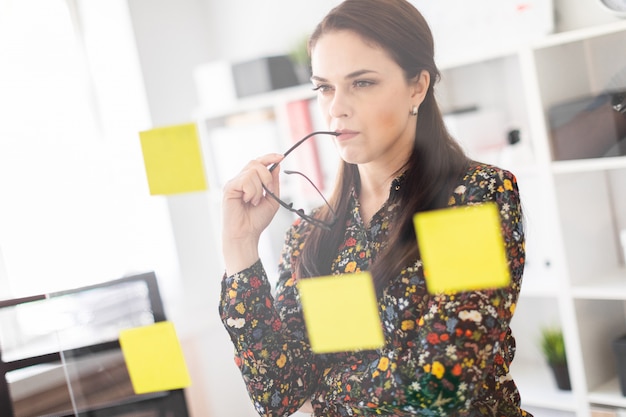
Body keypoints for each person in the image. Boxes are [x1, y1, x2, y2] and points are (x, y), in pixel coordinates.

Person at [218, 0, 530, 415]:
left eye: (361, 83)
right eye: (325, 87)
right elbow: (280, 392)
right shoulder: (313, 233)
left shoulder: (466, 199)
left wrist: (330, 396)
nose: (336, 107)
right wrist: (240, 250)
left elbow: (443, 385)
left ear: (417, 87)